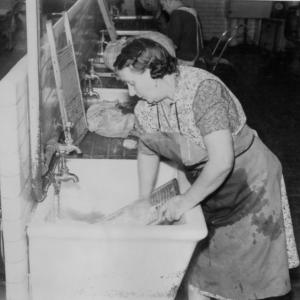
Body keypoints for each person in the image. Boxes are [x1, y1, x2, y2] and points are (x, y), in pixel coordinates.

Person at [113, 37, 298, 300]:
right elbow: (147, 149)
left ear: (154, 73)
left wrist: (184, 201)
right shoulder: (146, 107)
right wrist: (144, 199)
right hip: (209, 187)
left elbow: (222, 161)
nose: (130, 93)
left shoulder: (202, 90)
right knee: (200, 277)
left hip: (250, 185)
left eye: (132, 83)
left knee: (248, 282)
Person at [157, 0, 204, 66]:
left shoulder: (177, 14)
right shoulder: (191, 11)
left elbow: (171, 44)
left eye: (163, 5)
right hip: (197, 59)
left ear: (169, 1)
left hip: (185, 61)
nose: (163, 9)